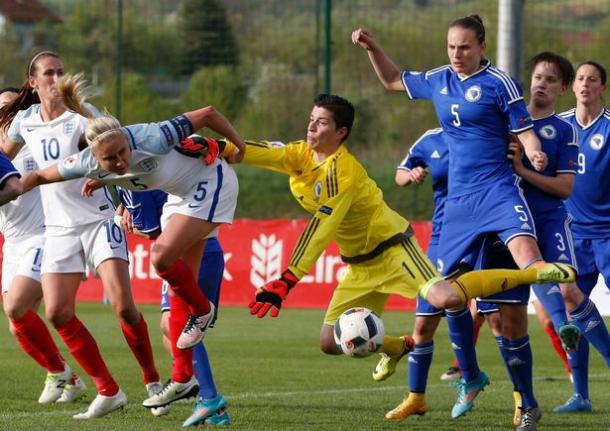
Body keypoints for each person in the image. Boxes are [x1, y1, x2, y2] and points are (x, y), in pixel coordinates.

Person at [223, 94, 573, 421]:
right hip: (358, 265)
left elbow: (321, 228)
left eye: (323, 122)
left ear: (341, 132)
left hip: (393, 249)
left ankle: (533, 274)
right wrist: (214, 147)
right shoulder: (298, 154)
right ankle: (394, 347)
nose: (312, 126)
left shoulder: (343, 171)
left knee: (447, 297)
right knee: (330, 343)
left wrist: (288, 279)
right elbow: (251, 150)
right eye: (312, 119)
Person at [352, 16, 573, 425]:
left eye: (465, 47)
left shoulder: (499, 83)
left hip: (498, 192)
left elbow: (524, 130)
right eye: (452, 46)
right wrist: (371, 48)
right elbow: (393, 81)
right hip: (458, 209)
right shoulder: (438, 79)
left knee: (513, 306)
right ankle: (468, 376)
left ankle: (527, 397)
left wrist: (535, 151)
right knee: (441, 296)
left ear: (482, 47)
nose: (457, 54)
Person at [16, 72, 245, 414]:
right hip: (180, 199)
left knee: (162, 258)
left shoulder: (151, 136)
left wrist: (238, 147)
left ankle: (203, 310)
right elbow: (37, 176)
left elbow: (209, 112)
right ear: (94, 157)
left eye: (122, 152)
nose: (120, 161)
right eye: (110, 160)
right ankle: (184, 379)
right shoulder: (87, 163)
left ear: (126, 138)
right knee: (179, 289)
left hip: (211, 182)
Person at [0, 52, 161, 419]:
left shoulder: (82, 113)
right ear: (33, 82)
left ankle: (153, 382)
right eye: (48, 73)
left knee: (123, 306)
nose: (56, 78)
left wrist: (117, 193)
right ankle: (109, 390)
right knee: (57, 313)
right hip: (58, 229)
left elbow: (120, 155)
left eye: (60, 72)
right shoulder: (24, 122)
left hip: (99, 219)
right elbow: (3, 159)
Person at [0, 87, 87, 404]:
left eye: (12, 108)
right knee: (17, 325)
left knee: (15, 307)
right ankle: (69, 377)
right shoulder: (0, 154)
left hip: (45, 234)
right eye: (1, 110)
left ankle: (62, 374)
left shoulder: (34, 144)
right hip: (13, 243)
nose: (6, 115)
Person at [116, 185, 230, 426]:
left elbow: (152, 231)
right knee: (171, 330)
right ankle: (206, 397)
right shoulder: (129, 170)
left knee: (180, 328)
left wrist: (119, 220)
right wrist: (124, 208)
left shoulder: (131, 175)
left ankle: (208, 397)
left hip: (191, 254)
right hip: (197, 250)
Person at [558, 60, 610, 413]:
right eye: (579, 78)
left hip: (608, 234)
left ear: (602, 87)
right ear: (573, 86)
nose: (585, 84)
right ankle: (581, 395)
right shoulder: (559, 127)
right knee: (569, 311)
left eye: (592, 79)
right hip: (572, 236)